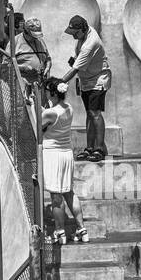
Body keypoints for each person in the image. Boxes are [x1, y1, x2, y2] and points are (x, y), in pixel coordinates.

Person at [56, 15, 112, 163]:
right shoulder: (84, 35)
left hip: (98, 80)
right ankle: (89, 148)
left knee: (95, 113)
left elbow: (74, 70)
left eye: (75, 32)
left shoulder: (90, 43)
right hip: (86, 80)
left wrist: (58, 83)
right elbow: (78, 60)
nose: (73, 35)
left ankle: (99, 149)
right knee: (89, 113)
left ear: (83, 29)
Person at [39, 78, 87, 244]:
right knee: (69, 192)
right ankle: (82, 230)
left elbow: (36, 126)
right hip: (67, 154)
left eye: (46, 90)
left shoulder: (49, 113)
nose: (44, 93)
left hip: (53, 155)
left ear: (52, 92)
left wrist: (32, 107)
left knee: (56, 196)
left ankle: (60, 234)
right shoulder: (69, 108)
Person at [9, 11, 51, 103]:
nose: (36, 38)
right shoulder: (14, 42)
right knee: (24, 113)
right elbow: (5, 66)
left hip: (40, 86)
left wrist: (47, 67)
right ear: (26, 31)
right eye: (33, 35)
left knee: (41, 113)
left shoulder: (41, 41)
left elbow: (48, 59)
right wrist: (23, 68)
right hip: (21, 86)